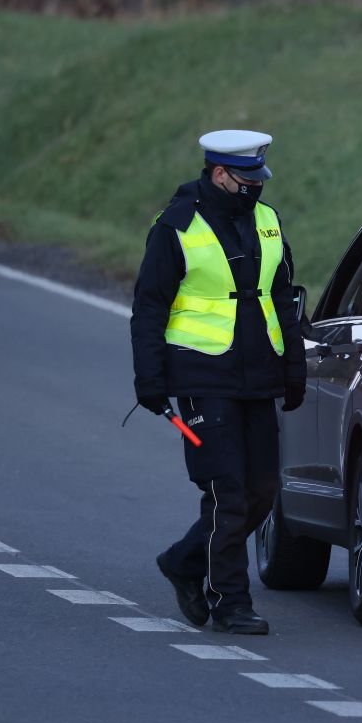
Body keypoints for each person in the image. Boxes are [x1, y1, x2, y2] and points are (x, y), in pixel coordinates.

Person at [130, 130, 306, 635]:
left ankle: (186, 561)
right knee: (227, 491)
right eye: (245, 179)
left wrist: (293, 370)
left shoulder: (268, 221)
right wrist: (150, 378)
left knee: (262, 492)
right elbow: (149, 307)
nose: (255, 188)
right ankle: (230, 600)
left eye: (259, 179)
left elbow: (284, 300)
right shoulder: (176, 226)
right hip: (202, 374)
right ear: (219, 174)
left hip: (261, 374)